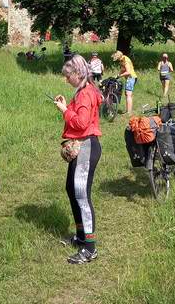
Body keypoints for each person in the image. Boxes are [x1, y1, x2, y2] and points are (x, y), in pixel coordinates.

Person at [53, 54, 102, 264]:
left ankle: (90, 248)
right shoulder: (83, 91)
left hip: (86, 146)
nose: (66, 80)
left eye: (68, 76)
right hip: (81, 147)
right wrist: (66, 105)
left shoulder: (85, 94)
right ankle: (81, 236)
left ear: (77, 73)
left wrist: (64, 111)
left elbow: (81, 124)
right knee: (71, 189)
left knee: (81, 195)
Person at [111, 50, 137, 116]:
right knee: (127, 94)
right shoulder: (122, 60)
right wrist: (117, 75)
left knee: (128, 95)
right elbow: (123, 70)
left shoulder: (125, 60)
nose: (116, 59)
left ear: (118, 56)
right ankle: (128, 111)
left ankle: (129, 112)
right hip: (130, 78)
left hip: (131, 78)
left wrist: (120, 76)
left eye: (116, 57)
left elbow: (128, 72)